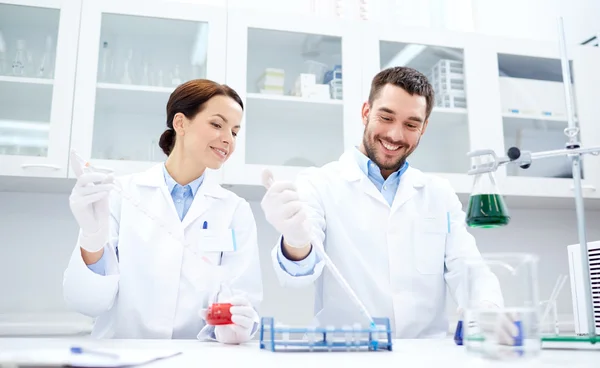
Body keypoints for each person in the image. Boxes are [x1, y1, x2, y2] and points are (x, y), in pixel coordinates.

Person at [260, 66, 509, 339]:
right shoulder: (318, 183)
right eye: (386, 117)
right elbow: (298, 276)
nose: (395, 135)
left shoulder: (439, 194)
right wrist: (296, 240)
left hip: (424, 356)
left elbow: (468, 267)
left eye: (411, 124)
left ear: (424, 127)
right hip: (346, 355)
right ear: (366, 112)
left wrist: (488, 307)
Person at [63, 79, 262, 343]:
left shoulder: (235, 210)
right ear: (180, 123)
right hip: (122, 355)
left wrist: (235, 326)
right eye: (217, 124)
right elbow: (86, 303)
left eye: (235, 132)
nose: (228, 139)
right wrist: (91, 238)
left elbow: (242, 298)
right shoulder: (121, 194)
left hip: (197, 359)